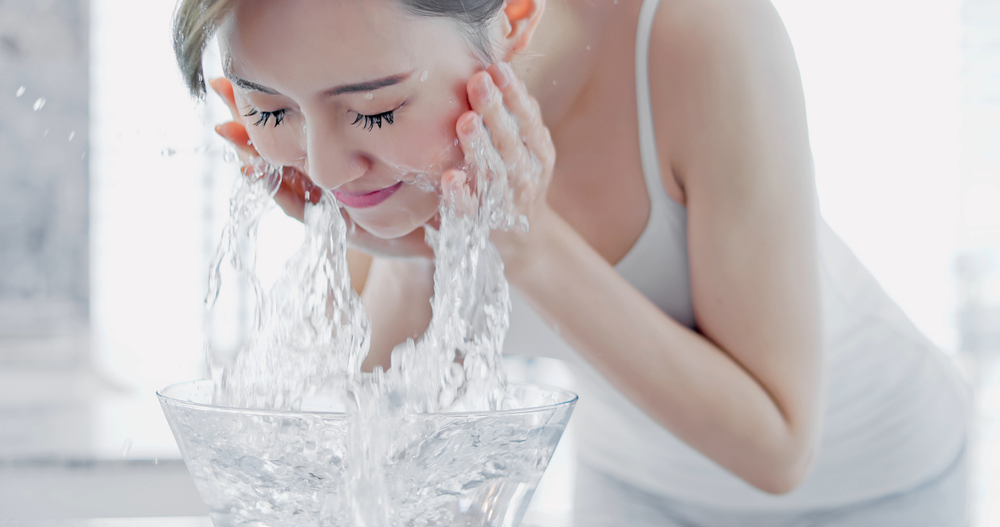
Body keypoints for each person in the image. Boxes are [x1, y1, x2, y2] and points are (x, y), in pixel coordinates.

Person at [173, 0, 971, 524]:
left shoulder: (698, 31)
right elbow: (389, 427)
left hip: (877, 477)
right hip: (630, 484)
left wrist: (527, 240)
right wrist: (404, 243)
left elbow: (779, 447)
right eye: (269, 107)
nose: (327, 164)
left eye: (376, 109)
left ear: (514, 16)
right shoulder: (361, 168)